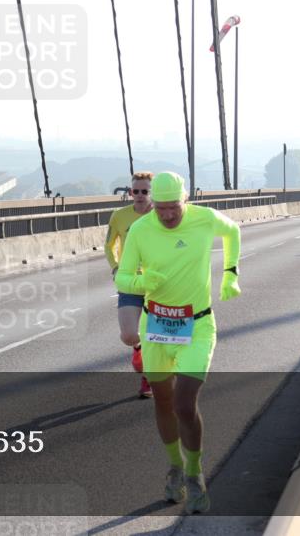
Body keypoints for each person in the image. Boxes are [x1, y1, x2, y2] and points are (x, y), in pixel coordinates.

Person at [115, 172, 241, 514]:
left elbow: (233, 232)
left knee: (185, 403)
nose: (168, 215)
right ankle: (174, 466)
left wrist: (231, 272)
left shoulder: (204, 219)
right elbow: (122, 277)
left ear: (185, 200)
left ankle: (194, 473)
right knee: (163, 402)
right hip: (156, 325)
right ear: (152, 203)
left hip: (197, 325)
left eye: (174, 208)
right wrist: (143, 282)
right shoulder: (141, 230)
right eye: (161, 209)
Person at [106, 172, 155, 399]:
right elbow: (109, 246)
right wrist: (115, 267)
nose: (140, 195)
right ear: (130, 193)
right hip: (129, 283)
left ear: (153, 193)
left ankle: (148, 380)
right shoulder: (119, 216)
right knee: (129, 335)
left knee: (153, 336)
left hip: (157, 286)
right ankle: (137, 349)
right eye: (136, 191)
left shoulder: (162, 215)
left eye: (145, 191)